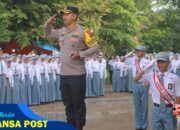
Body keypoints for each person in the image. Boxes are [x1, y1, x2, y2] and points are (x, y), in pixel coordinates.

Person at [44, 6, 99, 130]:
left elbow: (96, 47)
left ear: (74, 16)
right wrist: (48, 24)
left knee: (78, 104)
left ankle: (79, 127)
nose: (64, 16)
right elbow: (47, 34)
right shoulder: (61, 31)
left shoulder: (84, 31)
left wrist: (81, 54)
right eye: (63, 14)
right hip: (64, 74)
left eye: (67, 14)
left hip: (77, 75)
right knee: (68, 104)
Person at [134, 52, 180, 130]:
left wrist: (178, 115)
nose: (161, 64)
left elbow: (178, 97)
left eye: (163, 62)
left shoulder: (174, 78)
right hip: (156, 110)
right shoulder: (152, 76)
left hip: (169, 110)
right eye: (159, 62)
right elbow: (135, 79)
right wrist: (145, 68)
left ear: (168, 62)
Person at [121, 45, 151, 130]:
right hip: (135, 84)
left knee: (144, 106)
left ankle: (144, 126)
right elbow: (122, 60)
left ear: (144, 52)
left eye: (140, 51)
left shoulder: (147, 61)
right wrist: (128, 54)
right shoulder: (132, 60)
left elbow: (150, 74)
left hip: (143, 84)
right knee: (137, 106)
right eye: (137, 50)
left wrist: (148, 82)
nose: (138, 52)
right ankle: (138, 126)